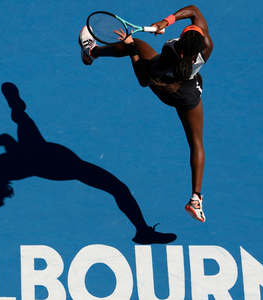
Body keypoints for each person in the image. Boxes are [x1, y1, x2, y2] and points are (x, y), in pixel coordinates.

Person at [0, 82, 177, 244]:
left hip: (53, 164)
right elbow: (3, 140)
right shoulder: (16, 160)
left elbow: (0, 156)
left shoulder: (11, 167)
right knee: (118, 188)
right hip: (56, 162)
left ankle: (143, 231)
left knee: (117, 188)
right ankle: (143, 232)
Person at [78, 5, 213, 223]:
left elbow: (144, 80)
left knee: (137, 44)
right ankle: (196, 199)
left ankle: (91, 52)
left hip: (165, 87)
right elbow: (196, 12)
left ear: (181, 43)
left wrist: (131, 48)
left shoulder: (169, 56)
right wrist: (166, 21)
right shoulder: (206, 46)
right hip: (189, 93)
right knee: (197, 142)